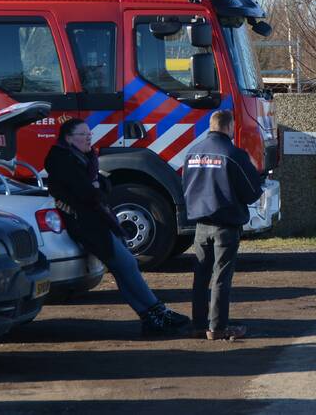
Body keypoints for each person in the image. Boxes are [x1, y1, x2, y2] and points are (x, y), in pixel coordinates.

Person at [44, 119, 189, 335]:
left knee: (125, 268)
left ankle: (152, 315)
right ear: (68, 138)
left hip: (99, 219)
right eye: (83, 134)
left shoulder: (84, 158)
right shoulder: (62, 160)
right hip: (87, 223)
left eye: (89, 134)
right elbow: (89, 194)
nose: (88, 137)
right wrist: (96, 187)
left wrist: (97, 187)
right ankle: (156, 312)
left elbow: (104, 186)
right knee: (127, 264)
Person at [182, 109, 263, 341]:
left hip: (200, 225)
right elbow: (252, 191)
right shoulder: (233, 154)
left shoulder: (192, 153)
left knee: (200, 276)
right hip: (226, 225)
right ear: (229, 127)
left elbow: (185, 186)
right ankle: (217, 327)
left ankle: (198, 324)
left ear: (211, 125)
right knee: (221, 277)